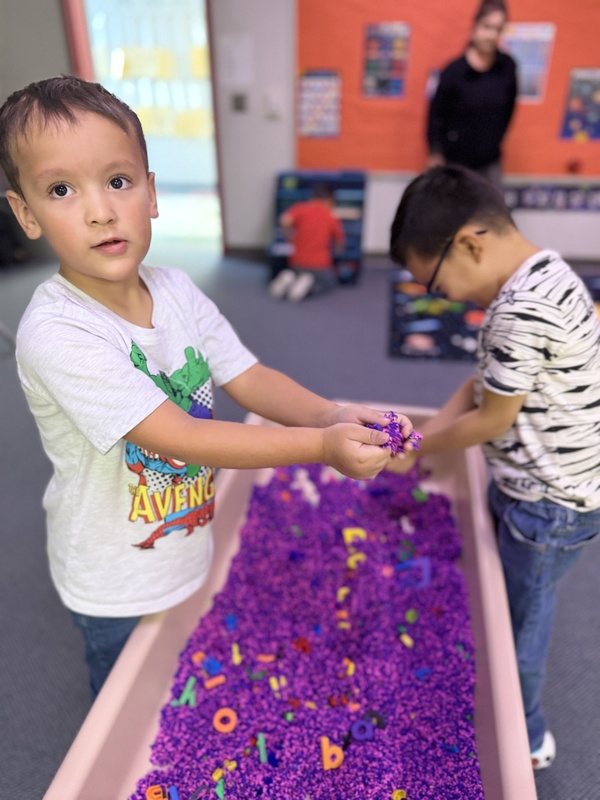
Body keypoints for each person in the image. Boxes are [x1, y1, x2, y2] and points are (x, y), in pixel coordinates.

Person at [0, 76, 414, 698]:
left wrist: (334, 414)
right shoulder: (57, 333)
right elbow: (182, 437)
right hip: (112, 576)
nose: (100, 210)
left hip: (184, 539)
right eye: (62, 189)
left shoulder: (176, 292)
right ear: (26, 213)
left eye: (119, 181)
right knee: (124, 699)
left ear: (152, 193)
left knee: (182, 671)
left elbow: (249, 378)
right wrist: (323, 448)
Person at [388, 164, 600, 771]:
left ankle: (527, 734)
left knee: (521, 626)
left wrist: (418, 450)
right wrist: (424, 432)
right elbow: (486, 383)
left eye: (435, 282)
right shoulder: (548, 272)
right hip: (539, 485)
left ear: (470, 244)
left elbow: (491, 421)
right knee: (512, 596)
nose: (443, 298)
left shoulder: (517, 311)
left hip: (550, 503)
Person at [426, 0, 517, 190]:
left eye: (498, 29)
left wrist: (497, 139)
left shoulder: (507, 68)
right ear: (475, 26)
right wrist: (435, 152)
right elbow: (435, 115)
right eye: (487, 27)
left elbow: (510, 108)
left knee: (492, 216)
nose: (492, 35)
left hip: (490, 162)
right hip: (454, 163)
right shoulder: (453, 72)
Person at [269, 183, 345, 302]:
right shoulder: (330, 215)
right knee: (329, 282)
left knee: (297, 272)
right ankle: (308, 287)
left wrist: (289, 236)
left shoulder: (300, 208)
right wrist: (338, 251)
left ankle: (290, 278)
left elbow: (285, 220)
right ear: (329, 200)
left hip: (297, 262)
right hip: (320, 265)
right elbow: (340, 242)